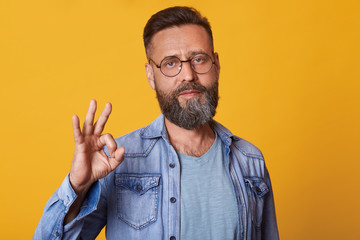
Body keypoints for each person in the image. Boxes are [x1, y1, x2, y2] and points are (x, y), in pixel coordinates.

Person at [34, 6, 279, 240]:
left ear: (216, 64)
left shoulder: (250, 161)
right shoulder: (117, 161)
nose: (188, 75)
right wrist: (77, 187)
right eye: (171, 63)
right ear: (151, 75)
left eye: (199, 59)